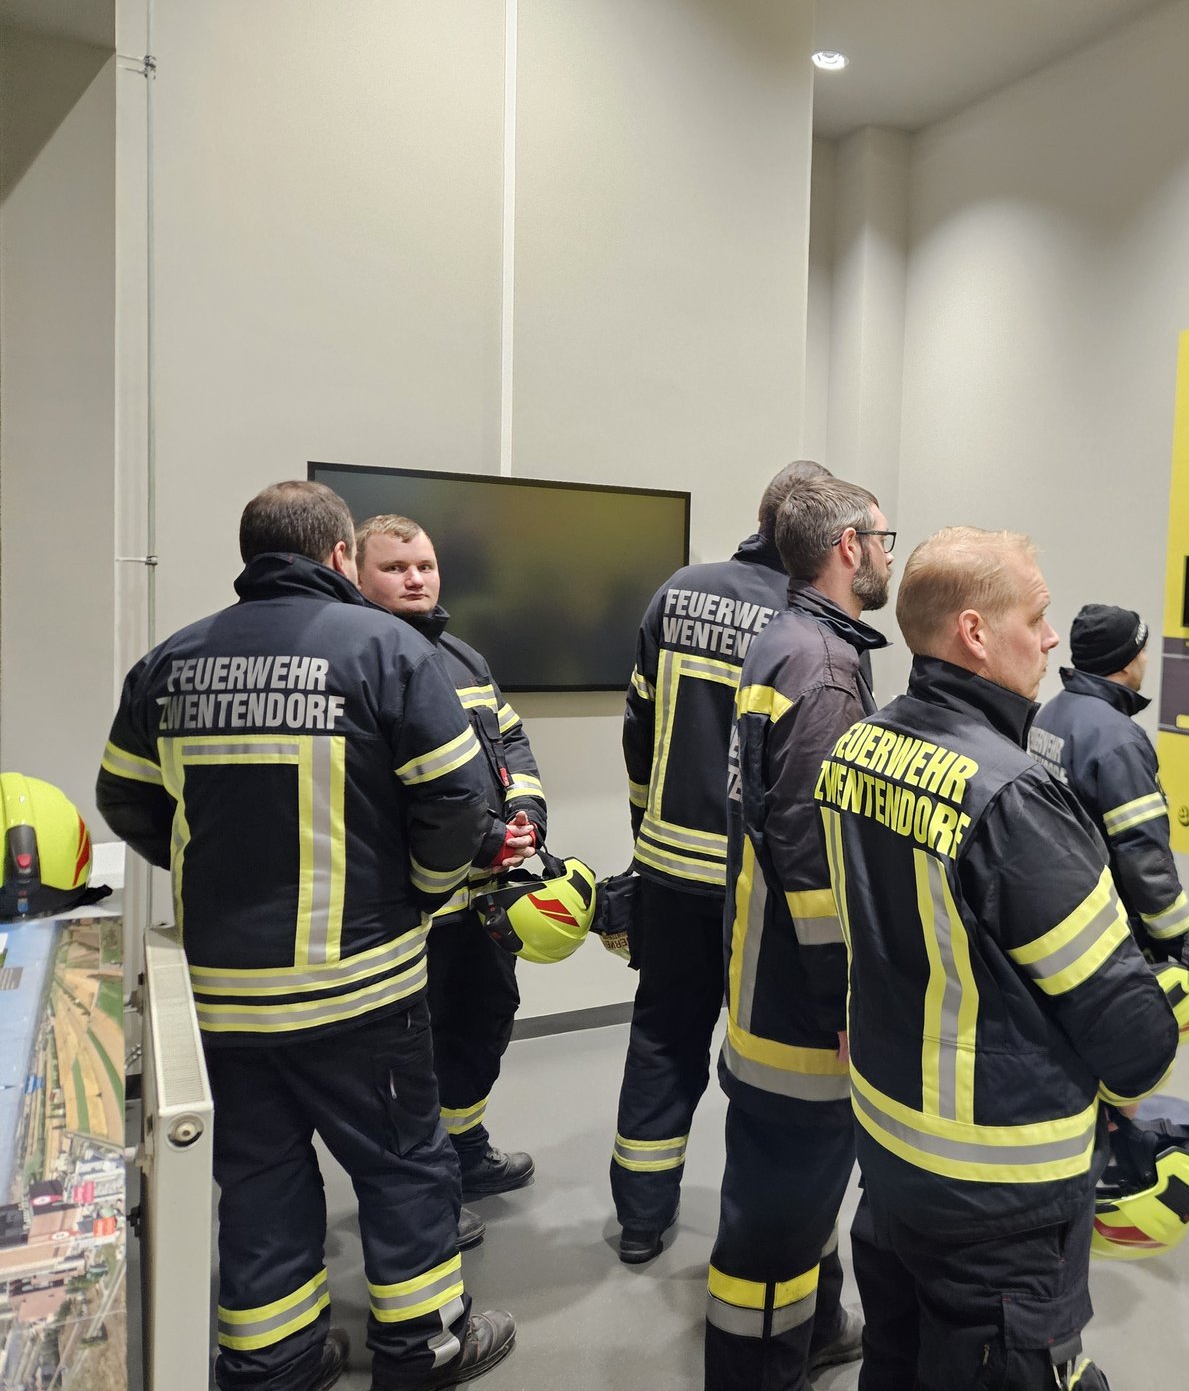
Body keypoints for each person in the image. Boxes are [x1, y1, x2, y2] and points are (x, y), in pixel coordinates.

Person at [96, 482, 524, 1391]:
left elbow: (124, 799)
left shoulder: (171, 661)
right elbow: (458, 801)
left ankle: (274, 1361)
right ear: (339, 557)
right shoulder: (386, 650)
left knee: (259, 1177)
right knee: (403, 1169)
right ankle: (423, 1348)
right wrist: (420, 892)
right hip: (362, 989)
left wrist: (210, 864)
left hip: (222, 1000)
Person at [817, 527, 1180, 1390]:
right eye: (1037, 617)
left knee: (897, 1363)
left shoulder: (857, 748)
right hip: (998, 1190)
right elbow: (1131, 1034)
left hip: (890, 1153)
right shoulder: (1013, 796)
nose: (1051, 640)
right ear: (975, 633)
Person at [610, 459, 832, 1262]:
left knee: (662, 1036)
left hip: (670, 867)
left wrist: (645, 829)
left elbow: (638, 725)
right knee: (764, 1059)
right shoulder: (813, 621)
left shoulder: (679, 590)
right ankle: (765, 1233)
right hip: (759, 889)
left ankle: (640, 1220)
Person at [706, 477, 892, 1389]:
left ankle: (817, 1328)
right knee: (772, 1232)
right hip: (798, 1013)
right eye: (884, 538)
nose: (889, 555)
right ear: (849, 546)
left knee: (795, 1198)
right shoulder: (823, 670)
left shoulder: (787, 641)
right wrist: (842, 1004)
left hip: (760, 979)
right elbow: (815, 864)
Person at [357, 514, 545, 1206]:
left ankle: (466, 1153)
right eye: (394, 568)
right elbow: (386, 792)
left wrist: (526, 819)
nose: (415, 579)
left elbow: (511, 746)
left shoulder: (465, 657)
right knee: (412, 1054)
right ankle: (423, 1188)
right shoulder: (362, 662)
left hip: (484, 902)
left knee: (481, 1028)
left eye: (425, 566)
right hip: (412, 908)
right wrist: (482, 837)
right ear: (355, 574)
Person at [1029, 604, 1189, 983]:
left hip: (1057, 912)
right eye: (1142, 651)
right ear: (1124, 663)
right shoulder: (1118, 741)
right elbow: (1144, 860)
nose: (1146, 660)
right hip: (1108, 931)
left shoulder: (1051, 714)